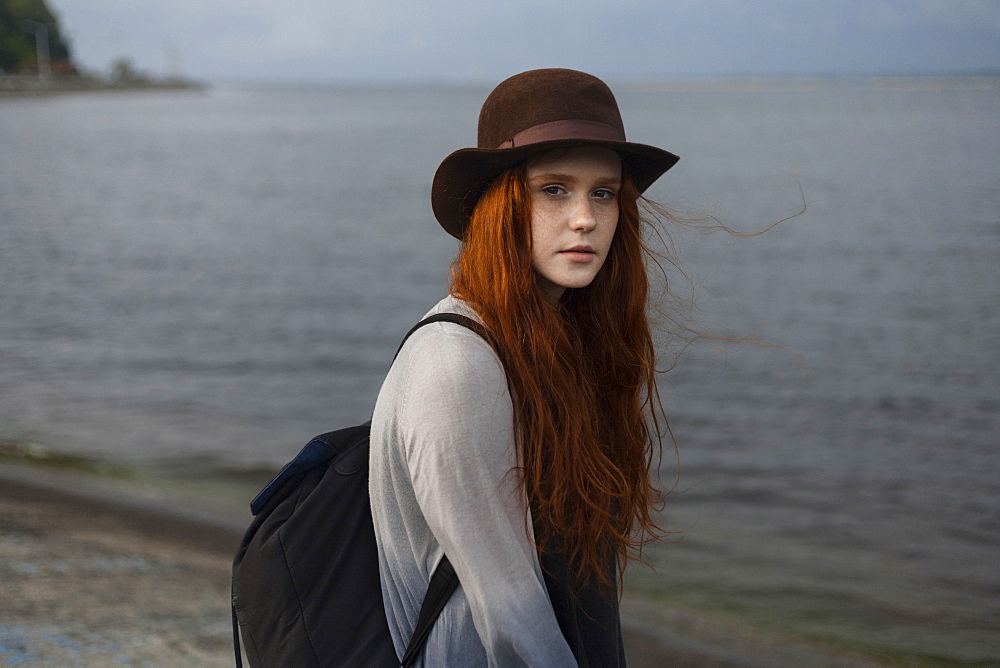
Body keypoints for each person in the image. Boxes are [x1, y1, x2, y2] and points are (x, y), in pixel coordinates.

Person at [369, 68, 680, 666]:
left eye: (604, 192)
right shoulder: (455, 364)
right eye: (554, 190)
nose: (586, 217)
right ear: (501, 203)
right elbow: (513, 618)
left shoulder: (558, 346)